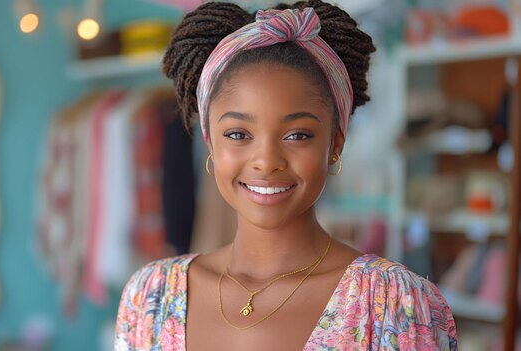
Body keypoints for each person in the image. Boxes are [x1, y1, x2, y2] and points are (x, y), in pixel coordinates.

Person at [114, 1, 458, 350]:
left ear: (335, 144)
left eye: (297, 135)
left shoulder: (395, 305)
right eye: (237, 134)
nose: (266, 161)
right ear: (210, 144)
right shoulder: (149, 298)